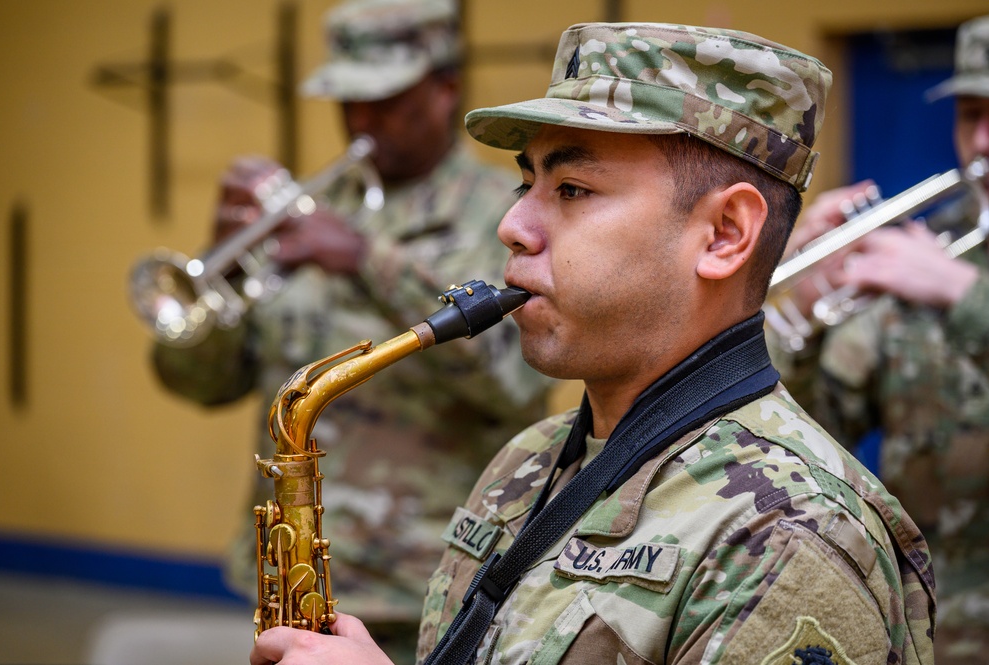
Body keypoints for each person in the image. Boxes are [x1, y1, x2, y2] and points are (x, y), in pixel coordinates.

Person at [249, 21, 936, 665]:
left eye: (571, 188)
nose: (512, 225)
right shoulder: (528, 460)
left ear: (725, 233)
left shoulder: (788, 536)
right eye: (527, 182)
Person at [150, 0, 550, 660]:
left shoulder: (509, 217)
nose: (361, 120)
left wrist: (367, 260)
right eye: (347, 101)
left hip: (432, 584)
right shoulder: (308, 212)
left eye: (385, 99)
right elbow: (202, 383)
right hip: (290, 575)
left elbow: (513, 383)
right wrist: (215, 281)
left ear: (445, 87)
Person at [767, 15, 989, 663]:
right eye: (970, 114)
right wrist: (800, 314)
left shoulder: (937, 271)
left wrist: (962, 295)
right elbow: (809, 434)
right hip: (927, 632)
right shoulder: (922, 248)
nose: (982, 141)